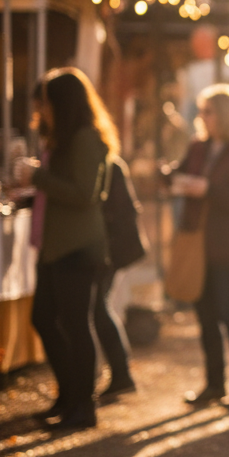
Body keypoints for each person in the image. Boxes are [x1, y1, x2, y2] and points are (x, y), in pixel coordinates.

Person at [19, 68, 115, 430]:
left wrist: (38, 178)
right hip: (54, 247)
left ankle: (82, 405)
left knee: (76, 325)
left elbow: (84, 194)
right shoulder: (59, 139)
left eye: (45, 102)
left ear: (62, 103)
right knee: (43, 317)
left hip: (78, 247)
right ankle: (69, 394)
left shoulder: (85, 139)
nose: (41, 110)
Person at [173, 85, 229, 411]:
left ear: (225, 114)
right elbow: (180, 173)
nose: (203, 118)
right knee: (206, 316)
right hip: (198, 245)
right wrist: (170, 176)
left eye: (208, 111)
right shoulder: (199, 147)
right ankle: (214, 385)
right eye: (202, 111)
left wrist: (208, 190)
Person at [95, 155, 147, 400]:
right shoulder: (111, 164)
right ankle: (120, 373)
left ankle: (121, 373)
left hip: (108, 250)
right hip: (108, 249)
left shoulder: (109, 166)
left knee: (99, 307)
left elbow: (121, 215)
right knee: (100, 307)